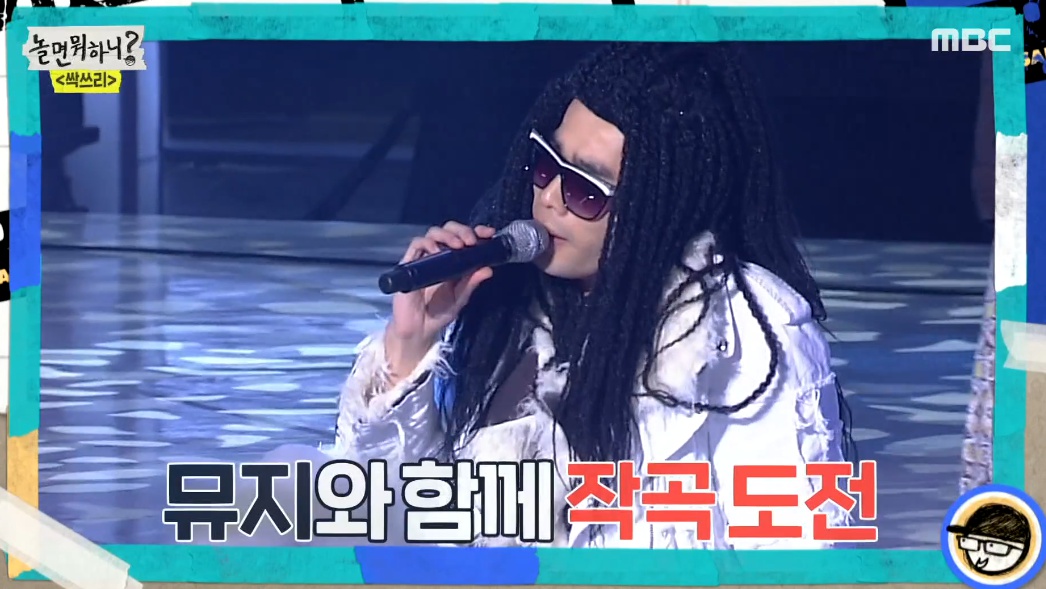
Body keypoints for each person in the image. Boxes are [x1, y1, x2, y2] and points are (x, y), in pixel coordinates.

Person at [323, 42, 856, 550]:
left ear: (657, 207)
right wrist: (409, 347)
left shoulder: (746, 337)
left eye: (586, 190)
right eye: (545, 165)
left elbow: (801, 554)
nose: (550, 198)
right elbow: (384, 514)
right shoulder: (499, 310)